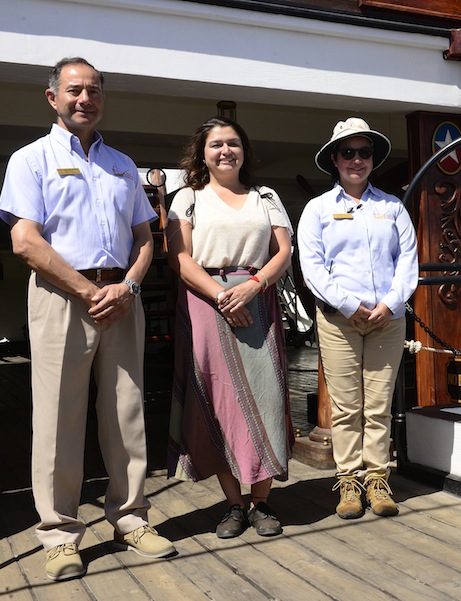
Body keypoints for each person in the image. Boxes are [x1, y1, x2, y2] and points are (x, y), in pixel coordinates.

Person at [0, 57, 175, 582]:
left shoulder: (123, 163)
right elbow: (25, 240)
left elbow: (145, 239)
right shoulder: (30, 160)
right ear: (52, 97)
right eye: (74, 90)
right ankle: (58, 534)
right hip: (61, 295)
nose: (85, 99)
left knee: (127, 413)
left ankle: (131, 517)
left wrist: (131, 286)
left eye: (94, 90)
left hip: (123, 295)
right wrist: (87, 289)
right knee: (57, 419)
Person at [165, 117, 294, 539]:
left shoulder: (266, 196)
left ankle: (261, 503)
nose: (225, 151)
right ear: (202, 153)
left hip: (258, 299)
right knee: (217, 400)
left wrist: (253, 287)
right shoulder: (186, 197)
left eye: (233, 143)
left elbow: (284, 253)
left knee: (266, 397)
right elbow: (180, 260)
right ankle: (233, 505)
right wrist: (222, 297)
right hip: (206, 301)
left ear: (244, 151)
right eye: (216, 144)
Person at [297, 118, 418, 519]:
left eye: (364, 152)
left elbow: (408, 264)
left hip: (388, 318)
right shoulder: (318, 210)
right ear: (334, 159)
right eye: (348, 152)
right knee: (348, 407)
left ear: (373, 159)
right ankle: (349, 480)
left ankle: (377, 478)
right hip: (339, 320)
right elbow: (312, 268)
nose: (356, 159)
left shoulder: (393, 207)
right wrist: (350, 304)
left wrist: (391, 303)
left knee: (379, 404)